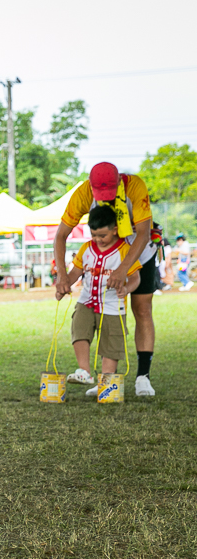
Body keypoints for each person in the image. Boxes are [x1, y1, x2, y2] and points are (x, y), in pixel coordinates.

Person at [53, 162, 158, 398]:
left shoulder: (135, 186)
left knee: (142, 309)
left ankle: (143, 376)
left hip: (138, 252)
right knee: (98, 317)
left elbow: (142, 232)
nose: (106, 199)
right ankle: (103, 380)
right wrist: (62, 275)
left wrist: (123, 270)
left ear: (119, 182)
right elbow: (61, 234)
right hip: (104, 256)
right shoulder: (83, 193)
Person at [58, 206, 142, 393]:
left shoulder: (124, 250)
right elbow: (75, 273)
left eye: (102, 235)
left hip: (113, 306)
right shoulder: (86, 248)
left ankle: (106, 383)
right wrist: (64, 286)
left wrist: (127, 289)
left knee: (111, 344)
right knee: (79, 328)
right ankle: (84, 371)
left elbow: (136, 278)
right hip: (86, 301)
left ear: (114, 230)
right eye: (94, 235)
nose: (97, 239)